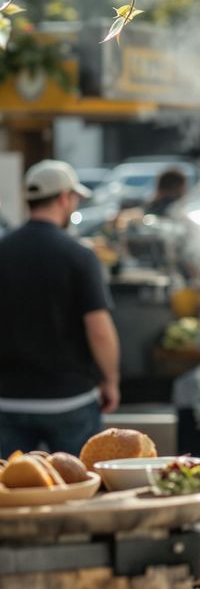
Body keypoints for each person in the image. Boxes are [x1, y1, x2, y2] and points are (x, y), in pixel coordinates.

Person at [0, 160, 120, 453]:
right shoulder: (79, 255)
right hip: (70, 401)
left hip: (6, 400)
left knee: (10, 495)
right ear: (65, 198)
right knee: (80, 492)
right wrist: (111, 380)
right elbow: (99, 331)